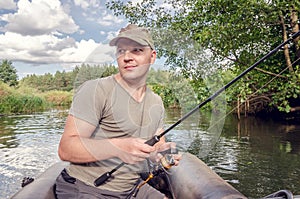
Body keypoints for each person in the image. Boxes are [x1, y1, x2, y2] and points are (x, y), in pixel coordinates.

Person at [55, 24, 181, 199]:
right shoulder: (95, 90)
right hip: (86, 188)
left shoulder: (157, 101)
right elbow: (66, 149)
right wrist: (118, 147)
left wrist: (164, 152)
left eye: (136, 50)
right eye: (121, 51)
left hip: (133, 189)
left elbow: (158, 145)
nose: (127, 57)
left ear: (152, 57)